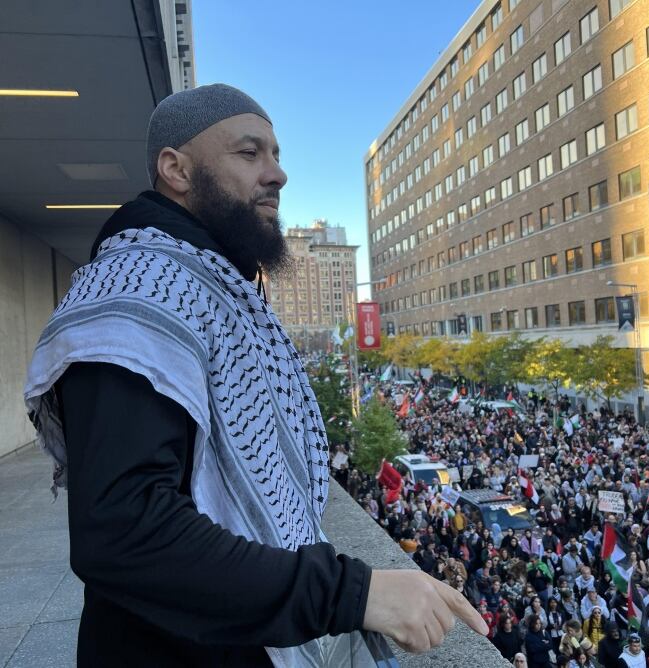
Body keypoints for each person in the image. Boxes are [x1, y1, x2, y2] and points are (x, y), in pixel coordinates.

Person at [23, 84, 487, 666]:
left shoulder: (212, 284)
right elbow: (125, 532)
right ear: (176, 168)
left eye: (277, 153)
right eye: (250, 154)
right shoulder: (138, 291)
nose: (278, 174)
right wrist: (353, 593)